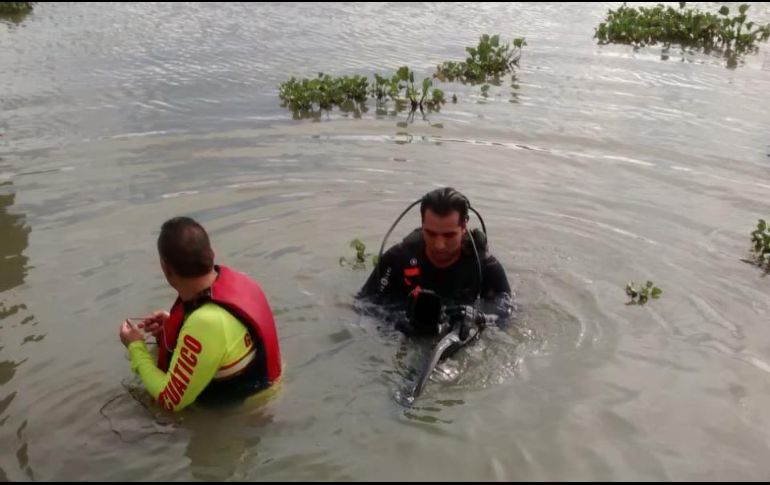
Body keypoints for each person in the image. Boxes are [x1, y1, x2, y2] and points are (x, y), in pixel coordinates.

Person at [118, 217, 281, 412]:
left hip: (245, 413)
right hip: (268, 395)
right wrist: (172, 328)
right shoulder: (241, 282)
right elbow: (223, 336)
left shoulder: (205, 323)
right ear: (211, 253)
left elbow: (170, 400)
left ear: (165, 268)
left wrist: (136, 347)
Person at [357, 187, 515, 334]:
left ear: (464, 227)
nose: (439, 245)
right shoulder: (397, 259)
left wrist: (479, 318)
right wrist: (396, 321)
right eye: (431, 234)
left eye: (449, 235)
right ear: (422, 224)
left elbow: (507, 314)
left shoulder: (485, 266)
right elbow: (363, 304)